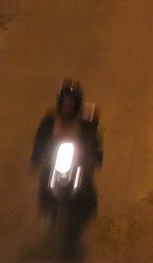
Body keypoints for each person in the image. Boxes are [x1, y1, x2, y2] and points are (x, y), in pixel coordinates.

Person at [31, 79, 103, 209]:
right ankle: (46, 208)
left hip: (79, 159)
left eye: (71, 102)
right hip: (55, 157)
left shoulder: (86, 120)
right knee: (44, 180)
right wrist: (36, 157)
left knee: (87, 185)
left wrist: (95, 157)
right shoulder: (51, 118)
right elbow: (40, 138)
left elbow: (94, 140)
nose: (68, 105)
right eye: (65, 101)